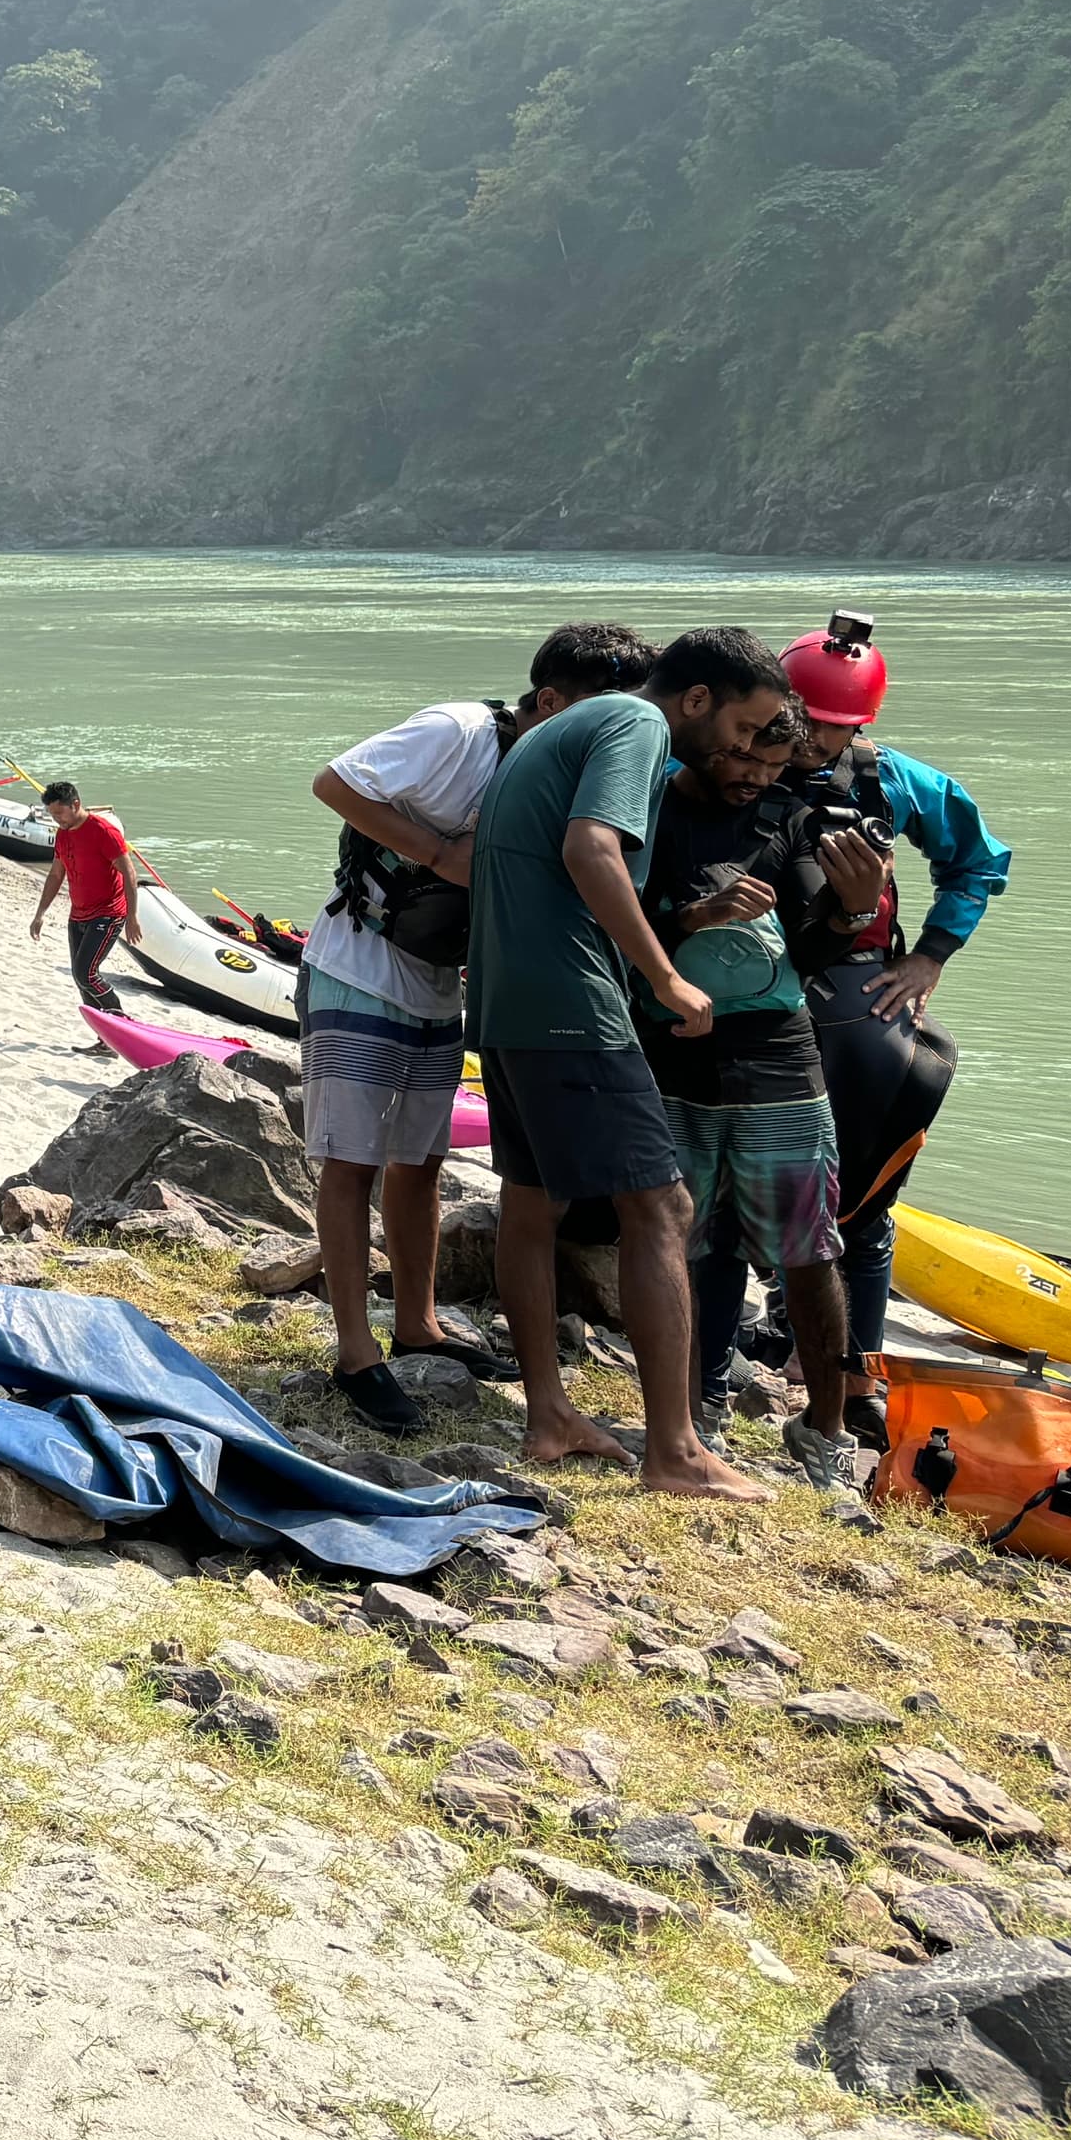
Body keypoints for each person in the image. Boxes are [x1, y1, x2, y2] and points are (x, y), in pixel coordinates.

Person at [296, 623, 655, 1434]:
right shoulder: (458, 731)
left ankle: (417, 1321)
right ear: (551, 701)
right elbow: (335, 781)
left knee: (419, 1161)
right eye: (598, 716)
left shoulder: (562, 770)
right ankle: (356, 1353)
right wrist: (437, 850)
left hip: (439, 985)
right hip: (357, 970)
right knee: (350, 1163)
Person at [464, 624, 792, 1502]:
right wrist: (667, 978)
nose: (744, 747)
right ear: (695, 700)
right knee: (661, 1203)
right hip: (570, 1004)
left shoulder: (568, 727)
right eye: (743, 727)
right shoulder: (634, 726)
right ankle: (676, 1453)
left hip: (505, 998)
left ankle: (548, 1417)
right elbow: (590, 849)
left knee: (532, 1201)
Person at [761, 613, 1006, 1446]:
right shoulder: (728, 767)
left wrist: (932, 956)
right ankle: (744, 1346)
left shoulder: (891, 780)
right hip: (760, 986)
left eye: (837, 729)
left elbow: (979, 859)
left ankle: (851, 1363)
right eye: (804, 723)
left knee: (863, 1194)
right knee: (750, 1179)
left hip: (860, 989)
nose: (814, 742)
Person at [635, 702, 889, 1492]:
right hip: (676, 1061)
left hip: (780, 1059)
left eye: (776, 767)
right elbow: (612, 925)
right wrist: (697, 915)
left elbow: (812, 948)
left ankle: (824, 1428)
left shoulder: (789, 820)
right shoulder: (650, 808)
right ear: (718, 741)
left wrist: (853, 907)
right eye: (748, 759)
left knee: (810, 1253)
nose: (758, 777)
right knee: (683, 1243)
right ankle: (689, 1414)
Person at [26, 782, 138, 1009]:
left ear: (75, 804)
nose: (57, 819)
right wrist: (40, 913)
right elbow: (56, 874)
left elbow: (129, 873)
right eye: (52, 814)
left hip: (108, 913)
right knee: (81, 979)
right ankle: (103, 1037)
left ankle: (119, 1020)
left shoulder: (103, 832)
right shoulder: (63, 834)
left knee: (85, 974)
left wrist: (132, 917)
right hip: (78, 914)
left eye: (59, 813)